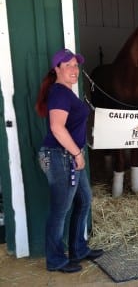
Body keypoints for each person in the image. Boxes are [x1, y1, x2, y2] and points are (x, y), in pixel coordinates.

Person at [36, 48, 104, 273]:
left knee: (84, 200)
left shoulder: (66, 92)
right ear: (57, 69)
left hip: (69, 155)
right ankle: (55, 259)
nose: (74, 70)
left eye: (76, 65)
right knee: (60, 209)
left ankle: (78, 248)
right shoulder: (60, 93)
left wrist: (77, 153)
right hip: (60, 156)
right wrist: (76, 153)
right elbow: (57, 127)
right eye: (68, 66)